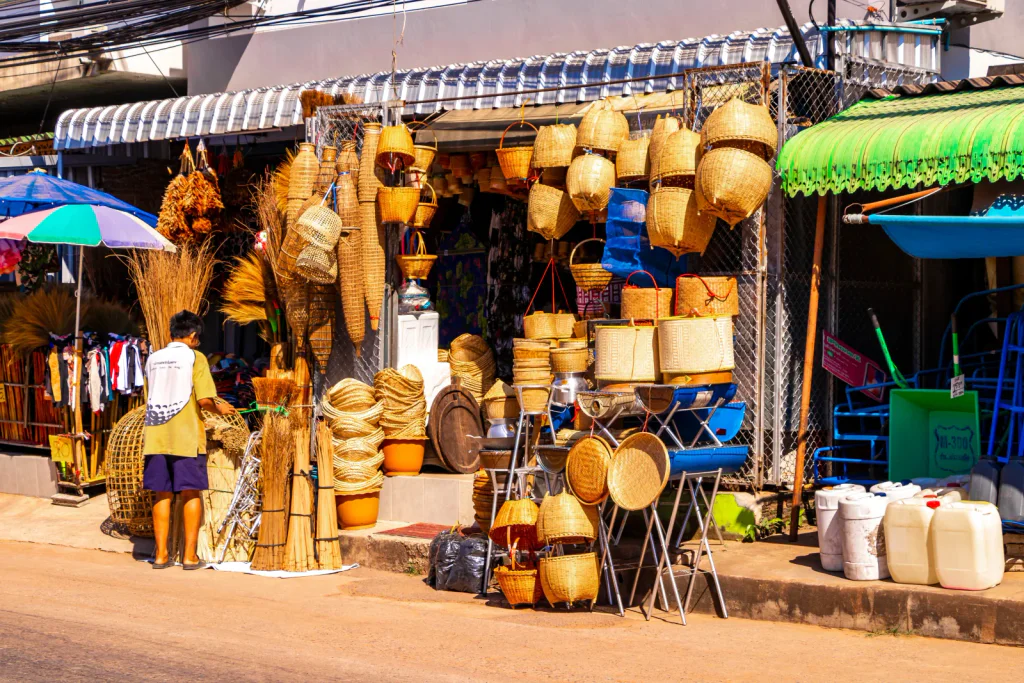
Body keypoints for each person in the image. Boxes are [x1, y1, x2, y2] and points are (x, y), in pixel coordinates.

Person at [142, 310, 235, 570]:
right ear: (193, 336)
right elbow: (204, 400)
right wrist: (221, 410)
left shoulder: (153, 358)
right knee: (190, 491)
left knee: (163, 493)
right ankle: (189, 556)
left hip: (156, 435)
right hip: (186, 436)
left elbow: (149, 397)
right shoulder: (196, 357)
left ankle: (160, 556)